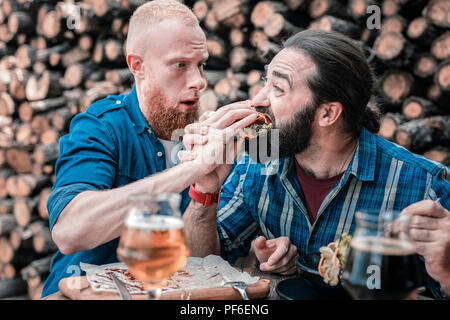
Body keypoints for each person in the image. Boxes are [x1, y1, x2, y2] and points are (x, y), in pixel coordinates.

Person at [180, 30, 450, 299]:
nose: (259, 100)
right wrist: (205, 189)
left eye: (278, 88)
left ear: (328, 113)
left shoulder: (423, 184)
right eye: (265, 82)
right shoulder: (257, 164)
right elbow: (200, 265)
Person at [41, 0, 258, 298]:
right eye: (180, 65)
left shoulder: (202, 136)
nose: (199, 81)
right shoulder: (102, 126)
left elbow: (199, 266)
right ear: (137, 66)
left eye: (201, 64)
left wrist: (204, 193)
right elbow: (69, 232)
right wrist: (190, 169)